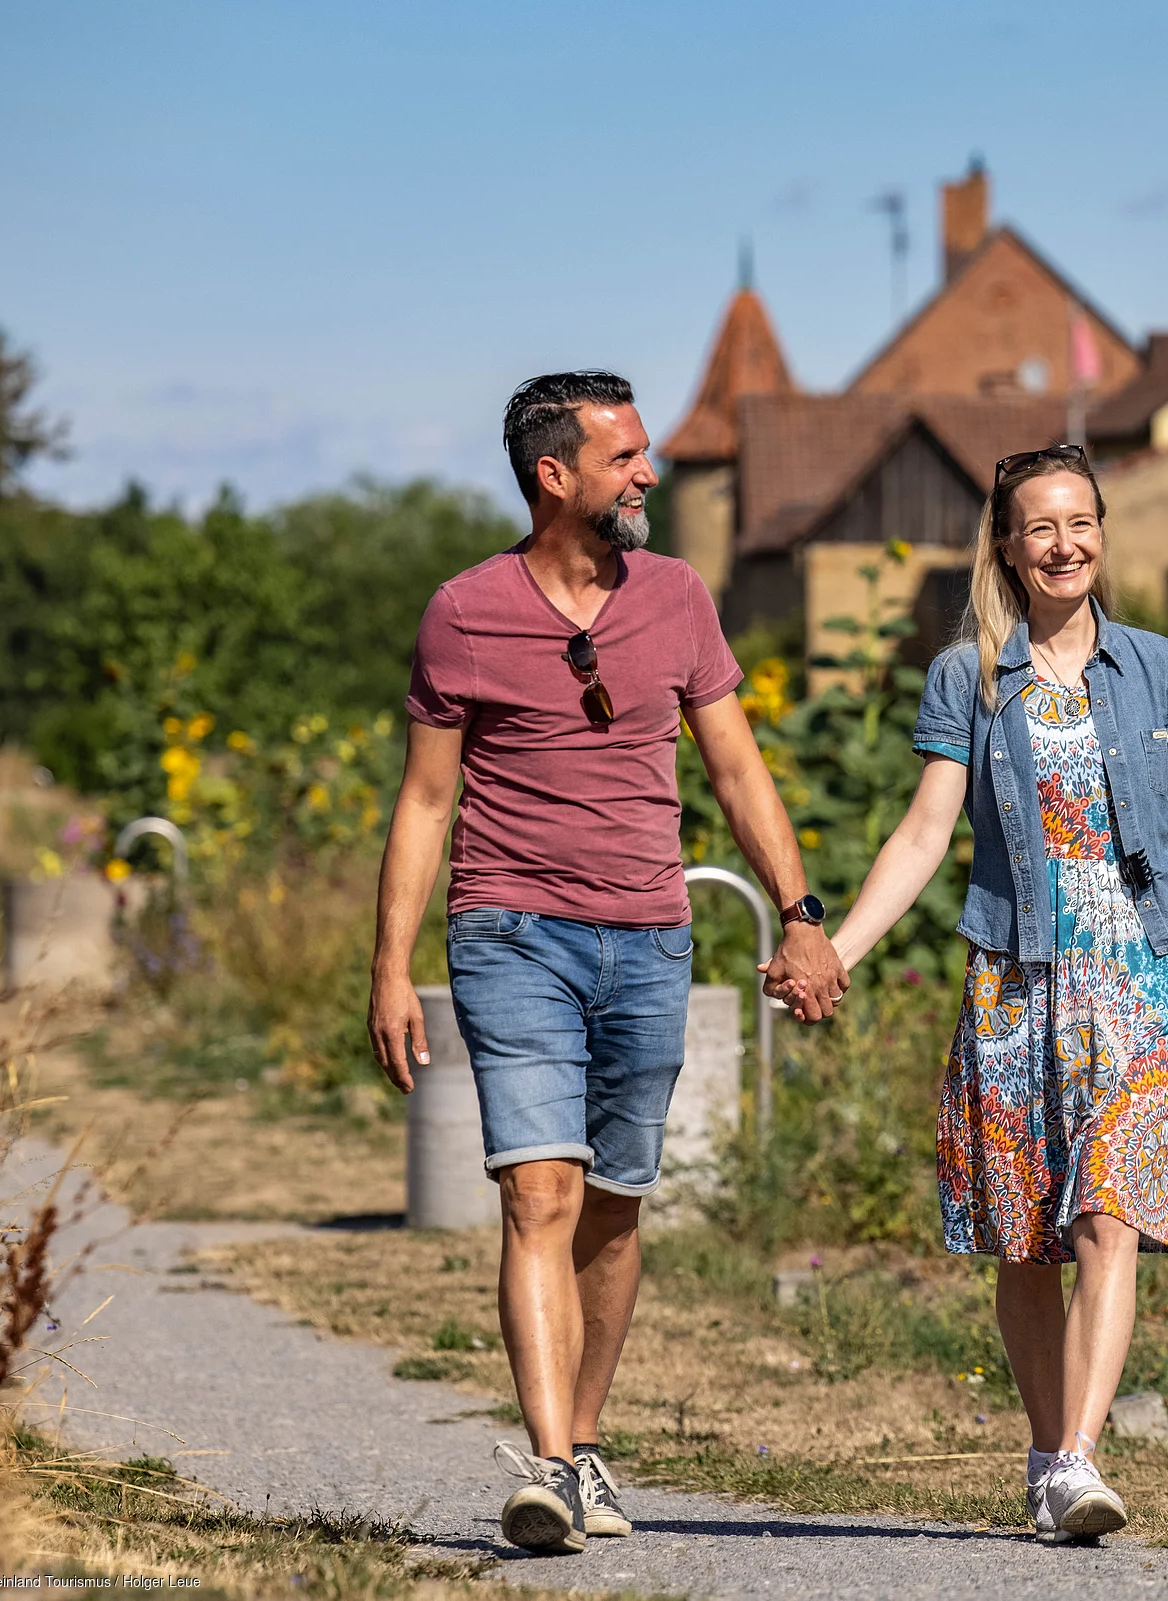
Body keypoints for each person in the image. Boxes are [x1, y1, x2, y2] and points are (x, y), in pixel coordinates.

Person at [366, 371, 847, 1557]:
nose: (649, 474)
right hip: (511, 930)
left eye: (643, 454)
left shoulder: (679, 598)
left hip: (650, 936)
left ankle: (580, 1444)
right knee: (541, 1191)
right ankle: (545, 1463)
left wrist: (802, 909)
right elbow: (428, 801)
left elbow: (736, 767)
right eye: (626, 457)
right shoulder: (464, 612)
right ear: (554, 476)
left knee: (616, 1212)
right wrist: (388, 965)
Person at [779, 442, 1168, 1543]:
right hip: (1018, 983)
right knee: (1028, 1238)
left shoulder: (1155, 662)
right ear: (1008, 545)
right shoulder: (970, 675)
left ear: (1102, 535)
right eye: (1042, 526)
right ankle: (1047, 1453)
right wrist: (836, 945)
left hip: (1144, 978)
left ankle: (1078, 1457)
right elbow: (929, 830)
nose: (1065, 543)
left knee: (1108, 1217)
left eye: (1082, 522)